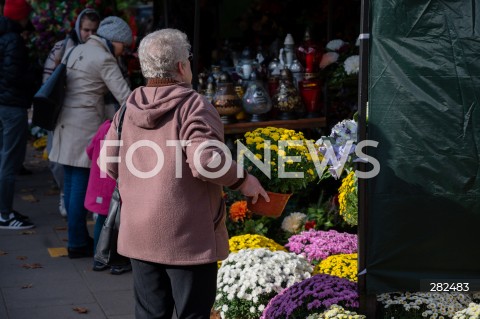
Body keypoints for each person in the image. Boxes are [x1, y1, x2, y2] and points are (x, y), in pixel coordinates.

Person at [101, 28, 269, 319]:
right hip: (187, 238)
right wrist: (243, 180)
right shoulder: (193, 105)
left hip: (139, 235)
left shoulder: (128, 107)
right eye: (188, 60)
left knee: (151, 315)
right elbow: (205, 161)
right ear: (181, 66)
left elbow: (108, 163)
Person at [49, 16, 133, 258]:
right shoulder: (104, 58)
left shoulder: (77, 49)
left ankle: (77, 239)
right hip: (84, 127)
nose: (123, 50)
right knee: (81, 188)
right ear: (114, 40)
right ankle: (77, 243)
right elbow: (125, 97)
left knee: (72, 182)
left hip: (64, 123)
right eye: (123, 45)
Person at [43, 8, 101, 218]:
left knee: (78, 167)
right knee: (59, 164)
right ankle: (66, 196)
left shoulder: (102, 52)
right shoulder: (62, 48)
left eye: (94, 30)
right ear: (78, 28)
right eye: (86, 30)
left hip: (86, 117)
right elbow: (47, 85)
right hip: (60, 115)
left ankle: (79, 204)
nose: (90, 35)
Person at [0, 0, 35, 229]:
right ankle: (4, 214)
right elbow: (13, 75)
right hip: (11, 105)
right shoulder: (13, 40)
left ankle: (5, 210)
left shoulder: (5, 35)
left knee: (4, 158)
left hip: (4, 104)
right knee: (9, 161)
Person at [85, 119, 131, 275]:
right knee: (120, 223)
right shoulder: (127, 129)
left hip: (98, 185)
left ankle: (99, 259)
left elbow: (90, 152)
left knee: (101, 221)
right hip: (115, 186)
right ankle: (118, 262)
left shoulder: (104, 127)